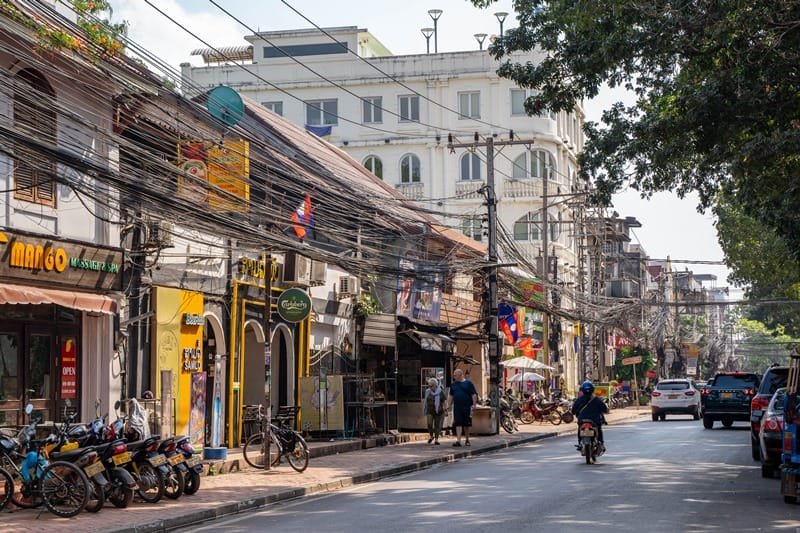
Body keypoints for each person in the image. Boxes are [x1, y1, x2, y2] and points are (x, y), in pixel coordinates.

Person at [571, 380, 609, 450]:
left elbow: (573, 411)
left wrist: (575, 413)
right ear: (593, 390)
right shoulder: (597, 400)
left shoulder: (579, 400)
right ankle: (601, 443)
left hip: (582, 420)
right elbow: (604, 409)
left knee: (580, 429)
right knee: (599, 429)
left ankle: (580, 443)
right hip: (595, 421)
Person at [448, 368, 478, 447]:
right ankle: (458, 440)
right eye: (454, 375)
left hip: (467, 407)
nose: (454, 377)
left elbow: (474, 394)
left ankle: (467, 440)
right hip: (457, 407)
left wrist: (474, 404)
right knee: (458, 423)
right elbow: (451, 396)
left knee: (466, 424)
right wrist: (449, 405)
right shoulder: (453, 385)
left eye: (455, 375)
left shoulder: (468, 384)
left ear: (460, 375)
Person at [422, 378, 446, 444]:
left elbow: (444, 401)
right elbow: (425, 401)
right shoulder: (427, 391)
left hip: (438, 411)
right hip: (429, 410)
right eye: (429, 386)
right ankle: (431, 436)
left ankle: (436, 439)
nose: (430, 387)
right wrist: (424, 408)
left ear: (435, 385)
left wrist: (445, 409)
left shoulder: (440, 391)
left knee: (437, 425)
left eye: (431, 386)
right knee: (429, 424)